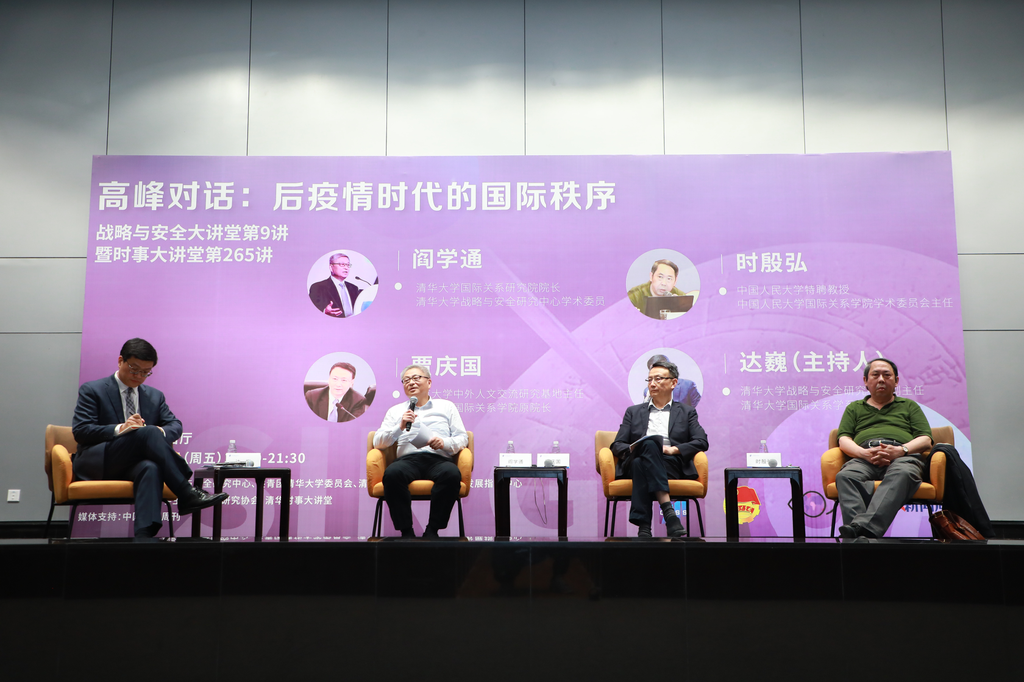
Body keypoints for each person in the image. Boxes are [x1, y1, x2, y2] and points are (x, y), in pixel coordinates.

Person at [71, 338, 228, 538]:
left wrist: (158, 432)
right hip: (101, 461)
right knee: (148, 432)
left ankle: (145, 535)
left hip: (133, 464)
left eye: (146, 372)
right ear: (120, 361)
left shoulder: (155, 396)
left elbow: (175, 425)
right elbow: (81, 431)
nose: (139, 376)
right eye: (134, 369)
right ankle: (186, 491)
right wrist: (121, 428)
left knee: (151, 466)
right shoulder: (93, 390)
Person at [835, 358, 934, 539]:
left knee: (903, 473)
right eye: (875, 375)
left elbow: (926, 439)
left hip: (902, 457)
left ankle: (859, 532)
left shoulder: (909, 406)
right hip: (864, 457)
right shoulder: (854, 408)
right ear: (866, 381)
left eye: (886, 375)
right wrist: (863, 453)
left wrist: (901, 450)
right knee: (846, 476)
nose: (881, 379)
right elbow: (843, 439)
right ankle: (862, 534)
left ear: (896, 381)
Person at [610, 359, 708, 538]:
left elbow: (701, 441)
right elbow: (617, 444)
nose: (652, 384)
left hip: (670, 464)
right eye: (649, 379)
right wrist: (635, 448)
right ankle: (669, 512)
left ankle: (644, 527)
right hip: (635, 458)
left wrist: (673, 450)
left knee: (641, 463)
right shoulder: (633, 412)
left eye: (658, 379)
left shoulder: (686, 412)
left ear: (673, 383)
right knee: (648, 445)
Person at [373, 365, 468, 538]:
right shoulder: (395, 411)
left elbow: (462, 438)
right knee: (392, 474)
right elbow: (378, 442)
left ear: (429, 382)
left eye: (416, 378)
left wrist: (444, 443)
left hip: (438, 459)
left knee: (451, 474)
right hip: (407, 461)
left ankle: (433, 530)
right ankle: (406, 532)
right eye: (406, 380)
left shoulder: (446, 407)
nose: (411, 383)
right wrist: (399, 427)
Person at [627, 259, 695, 319]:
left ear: (675, 281)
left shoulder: (679, 296)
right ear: (651, 276)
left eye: (669, 278)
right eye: (660, 277)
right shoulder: (635, 295)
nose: (664, 283)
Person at [305, 362, 370, 422]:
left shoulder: (358, 401)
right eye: (335, 379)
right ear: (329, 379)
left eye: (344, 380)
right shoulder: (312, 397)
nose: (338, 384)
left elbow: (352, 425)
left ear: (351, 383)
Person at [308, 252, 363, 317]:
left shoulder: (354, 288)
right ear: (331, 267)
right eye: (342, 264)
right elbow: (310, 312)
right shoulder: (318, 287)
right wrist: (324, 312)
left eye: (348, 265)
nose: (346, 268)